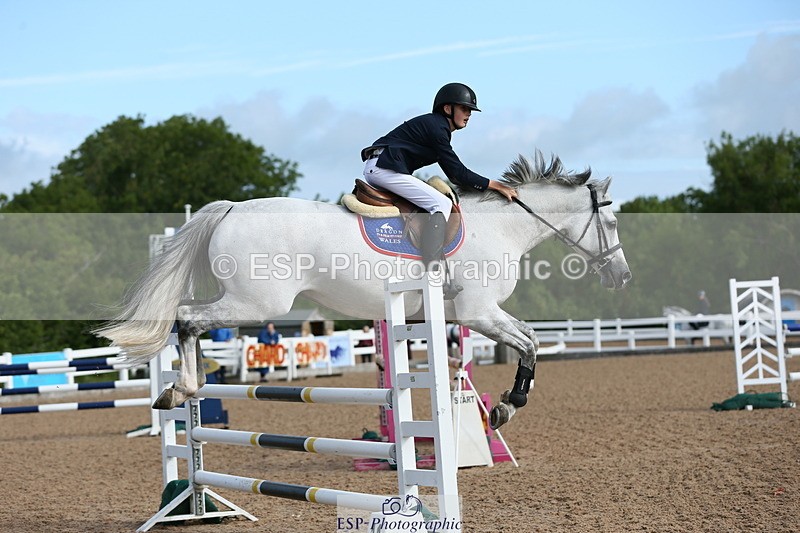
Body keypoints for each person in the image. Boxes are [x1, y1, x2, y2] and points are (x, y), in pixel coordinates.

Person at [360, 83, 518, 298]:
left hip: (383, 167)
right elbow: (457, 173)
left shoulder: (436, 127)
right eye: (464, 109)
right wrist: (496, 185)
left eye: (470, 110)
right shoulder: (437, 127)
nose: (469, 114)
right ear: (447, 109)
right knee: (441, 204)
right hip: (384, 168)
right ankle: (432, 275)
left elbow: (454, 173)